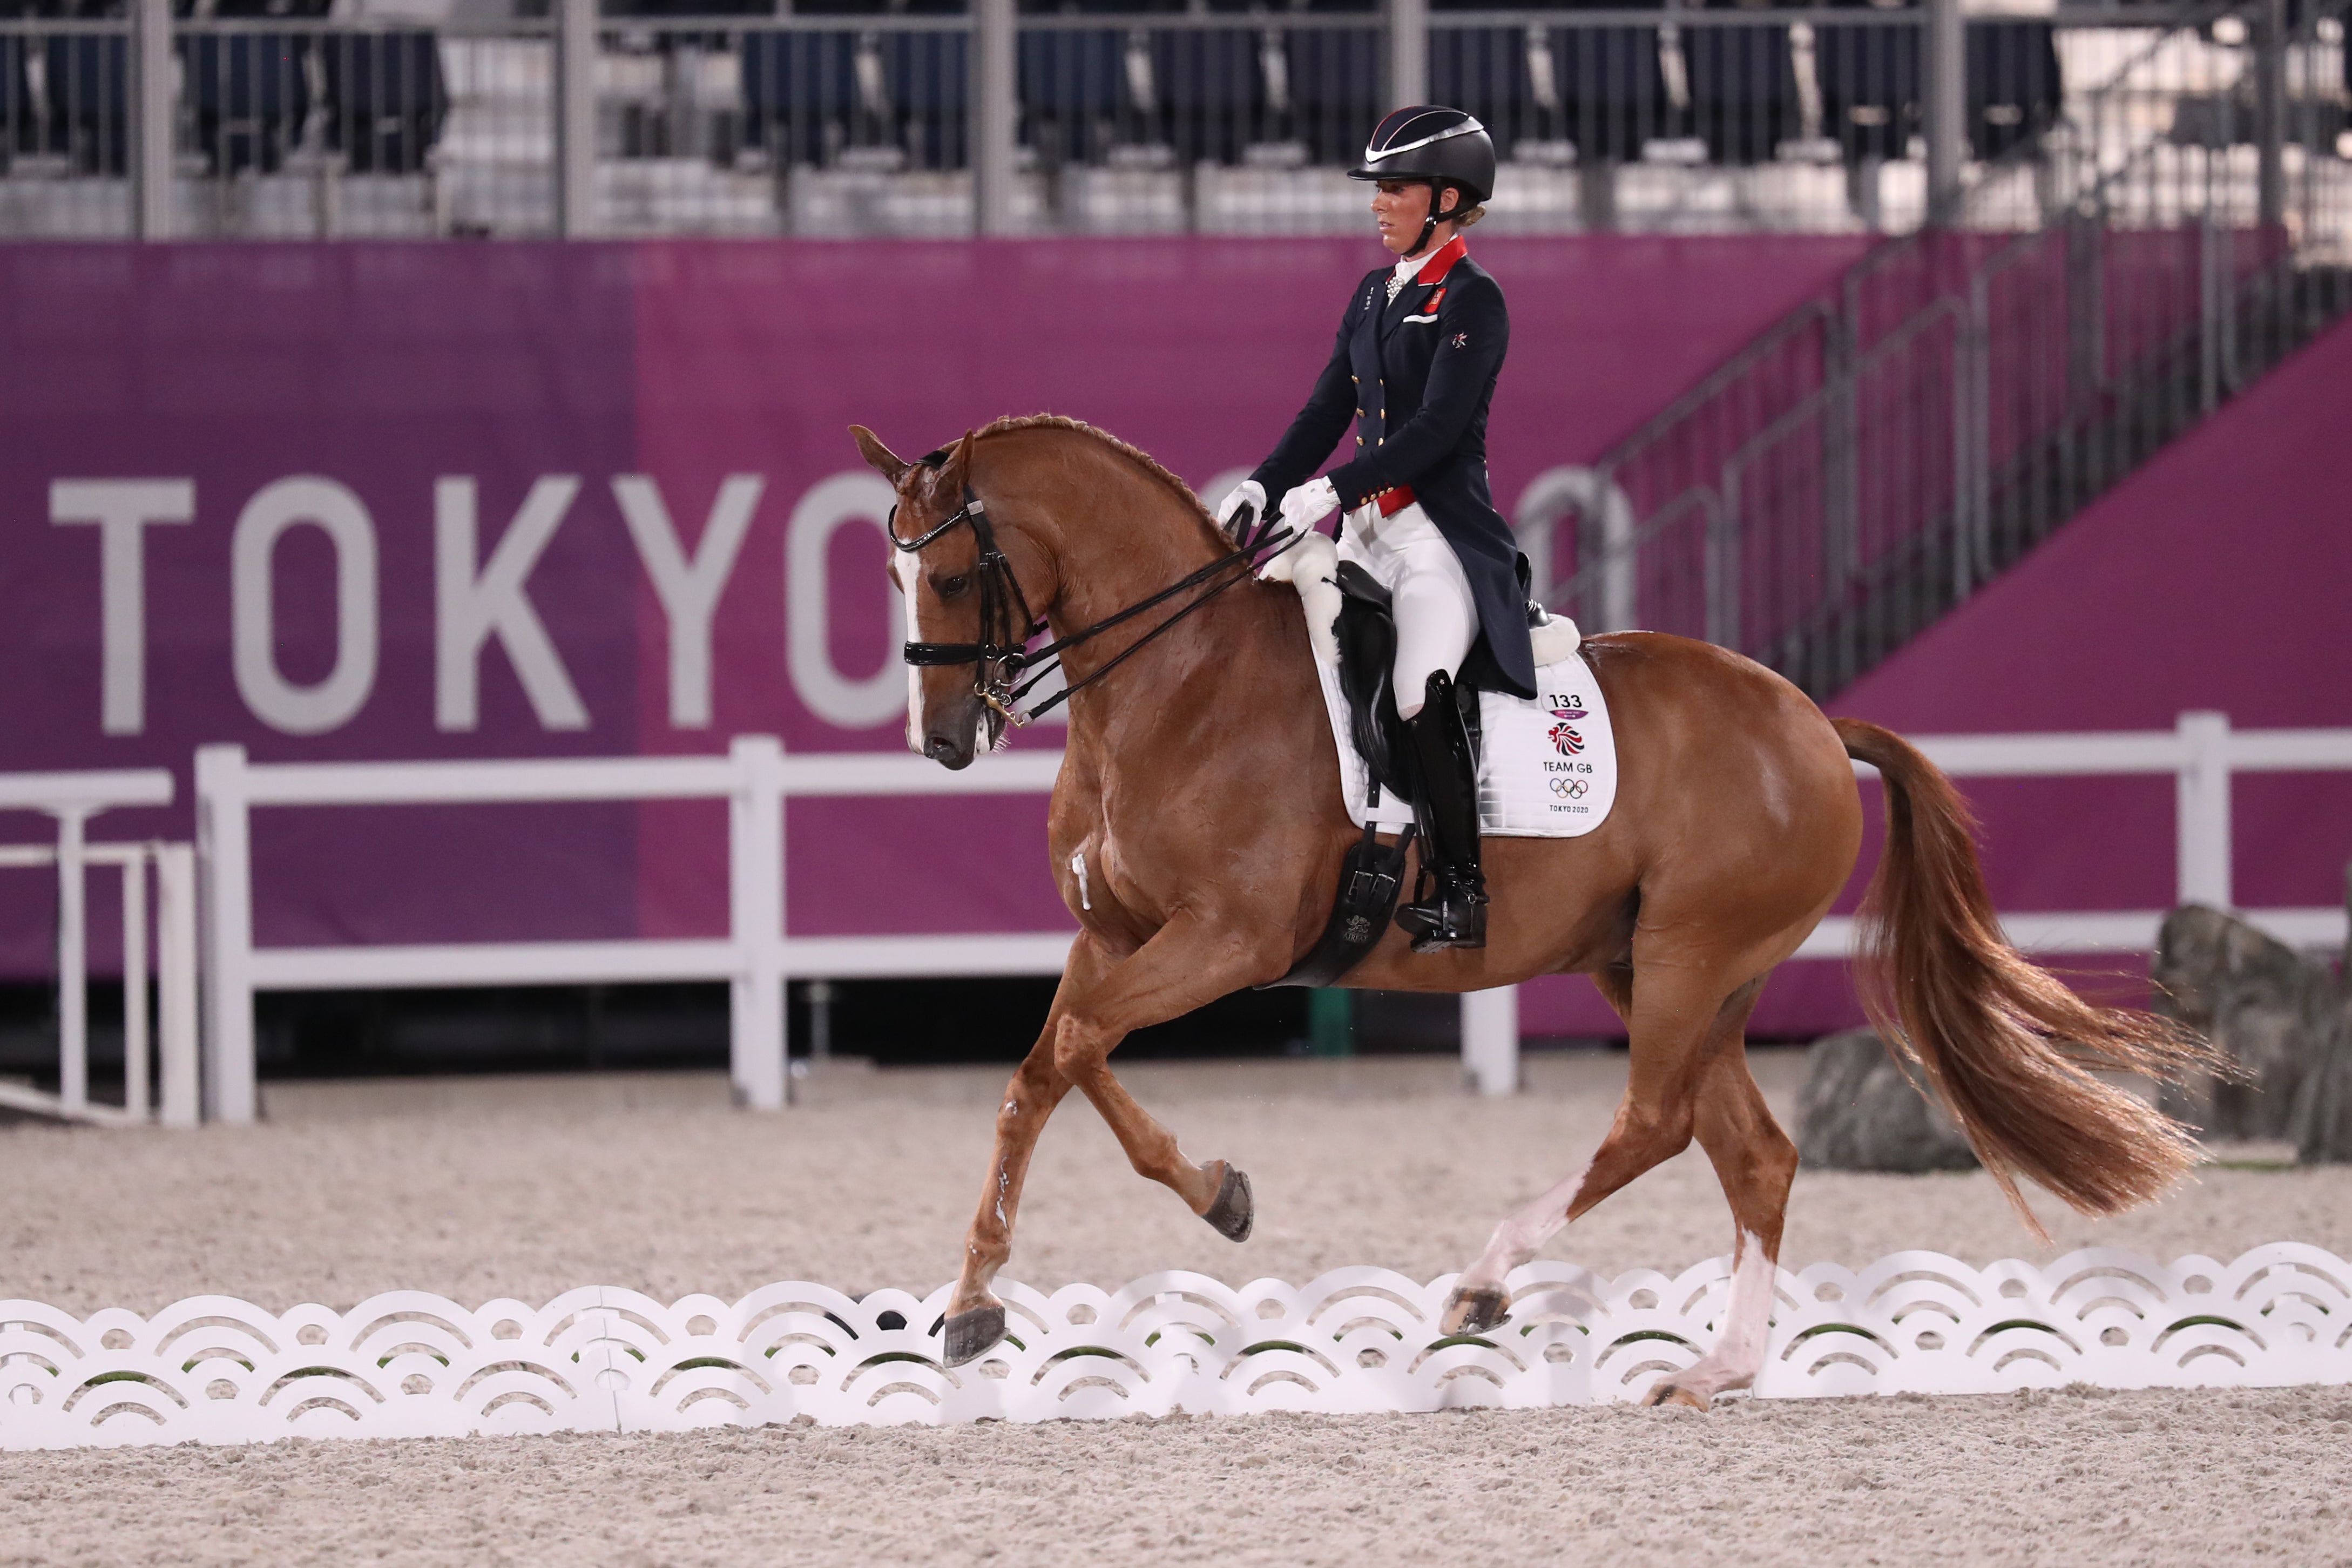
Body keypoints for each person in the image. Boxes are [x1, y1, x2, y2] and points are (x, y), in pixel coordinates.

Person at [1218, 104, 1537, 952]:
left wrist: (1331, 489)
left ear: (1446, 197)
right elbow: (1328, 404)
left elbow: (1434, 433)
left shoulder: (1475, 299)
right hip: (1365, 536)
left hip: (1436, 536)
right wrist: (1264, 482)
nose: (1377, 204)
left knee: (1415, 688)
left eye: (1392, 189)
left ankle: (1463, 890)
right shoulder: (1373, 292)